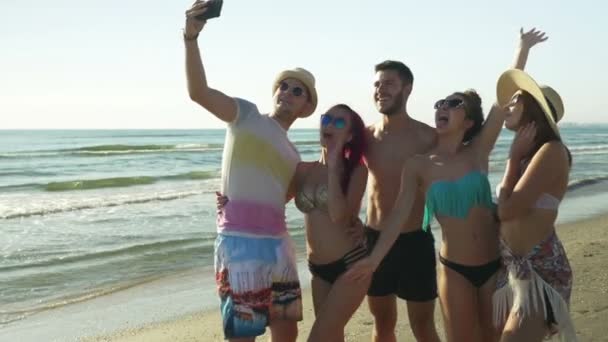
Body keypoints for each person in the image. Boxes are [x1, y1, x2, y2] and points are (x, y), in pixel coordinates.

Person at [348, 29, 548, 342]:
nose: (442, 106)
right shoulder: (419, 164)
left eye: (453, 103)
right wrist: (372, 258)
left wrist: (522, 50)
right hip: (452, 267)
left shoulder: (478, 151)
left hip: (493, 262)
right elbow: (399, 214)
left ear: (468, 121)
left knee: (493, 336)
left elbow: (503, 95)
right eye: (440, 102)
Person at [183, 2, 318, 341]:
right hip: (239, 245)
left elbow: (287, 199)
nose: (287, 92)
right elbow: (198, 92)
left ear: (306, 106)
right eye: (282, 86)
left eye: (296, 90)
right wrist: (190, 39)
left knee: (286, 332)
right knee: (242, 335)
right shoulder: (246, 115)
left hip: (278, 247)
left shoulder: (293, 154)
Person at [357, 60, 441, 342]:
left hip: (414, 241)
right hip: (374, 238)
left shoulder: (428, 137)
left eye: (389, 83)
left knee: (423, 325)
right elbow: (339, 174)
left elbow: (464, 162)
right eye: (377, 84)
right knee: (382, 322)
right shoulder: (365, 137)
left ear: (408, 88)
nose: (381, 90)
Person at [493, 70, 577, 341]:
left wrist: (512, 159)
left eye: (516, 99)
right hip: (513, 272)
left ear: (533, 108)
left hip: (539, 273)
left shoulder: (551, 151)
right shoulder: (531, 154)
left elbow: (506, 210)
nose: (509, 104)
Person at [292, 104, 369, 341]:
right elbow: (273, 202)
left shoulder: (356, 171)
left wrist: (334, 163)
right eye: (326, 119)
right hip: (318, 270)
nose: (329, 125)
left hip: (350, 265)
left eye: (338, 122)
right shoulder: (303, 170)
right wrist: (231, 201)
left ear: (350, 135)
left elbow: (339, 215)